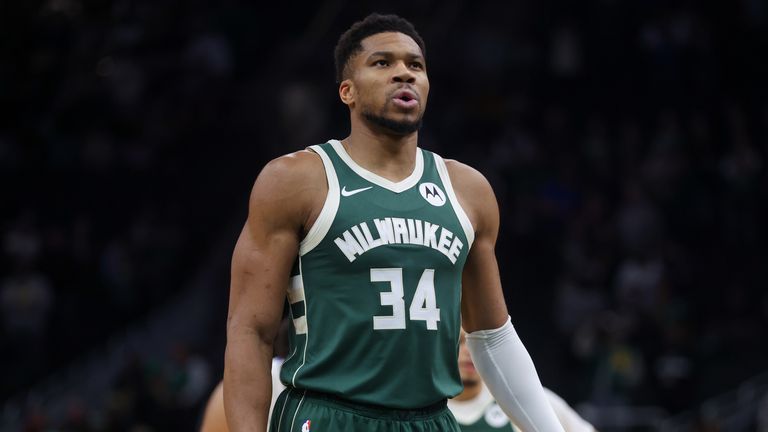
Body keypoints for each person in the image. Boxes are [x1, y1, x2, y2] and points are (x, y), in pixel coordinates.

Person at [224, 12, 564, 432]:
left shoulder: (468, 189)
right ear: (346, 91)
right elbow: (250, 330)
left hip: (431, 419)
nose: (404, 73)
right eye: (383, 63)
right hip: (329, 415)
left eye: (415, 65)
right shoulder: (296, 180)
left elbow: (492, 337)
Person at [202, 331, 596, 432]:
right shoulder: (268, 384)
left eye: (470, 341)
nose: (466, 352)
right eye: (456, 342)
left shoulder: (523, 398)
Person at [449, 331, 597, 431]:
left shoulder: (520, 398)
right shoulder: (428, 407)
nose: (468, 351)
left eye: (475, 344)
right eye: (459, 342)